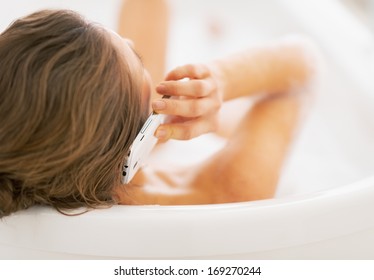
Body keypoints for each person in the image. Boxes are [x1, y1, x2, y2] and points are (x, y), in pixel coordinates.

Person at [0, 2, 316, 217]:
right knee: (225, 119)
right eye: (139, 60)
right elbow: (304, 63)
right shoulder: (227, 191)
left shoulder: (67, 172)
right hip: (210, 141)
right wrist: (220, 78)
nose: (129, 39)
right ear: (139, 143)